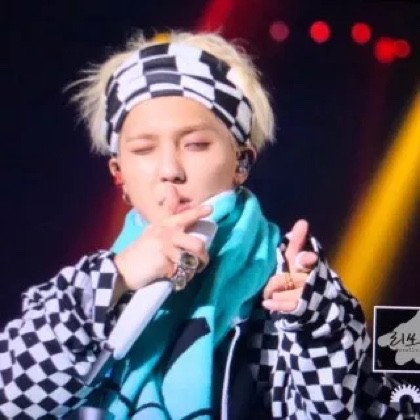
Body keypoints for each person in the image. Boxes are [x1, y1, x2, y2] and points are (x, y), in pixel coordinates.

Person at [0, 31, 413, 419]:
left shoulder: (290, 286)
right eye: (143, 149)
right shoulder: (89, 290)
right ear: (118, 173)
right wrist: (117, 276)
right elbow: (12, 401)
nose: (169, 169)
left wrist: (320, 330)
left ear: (241, 162)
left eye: (196, 144)